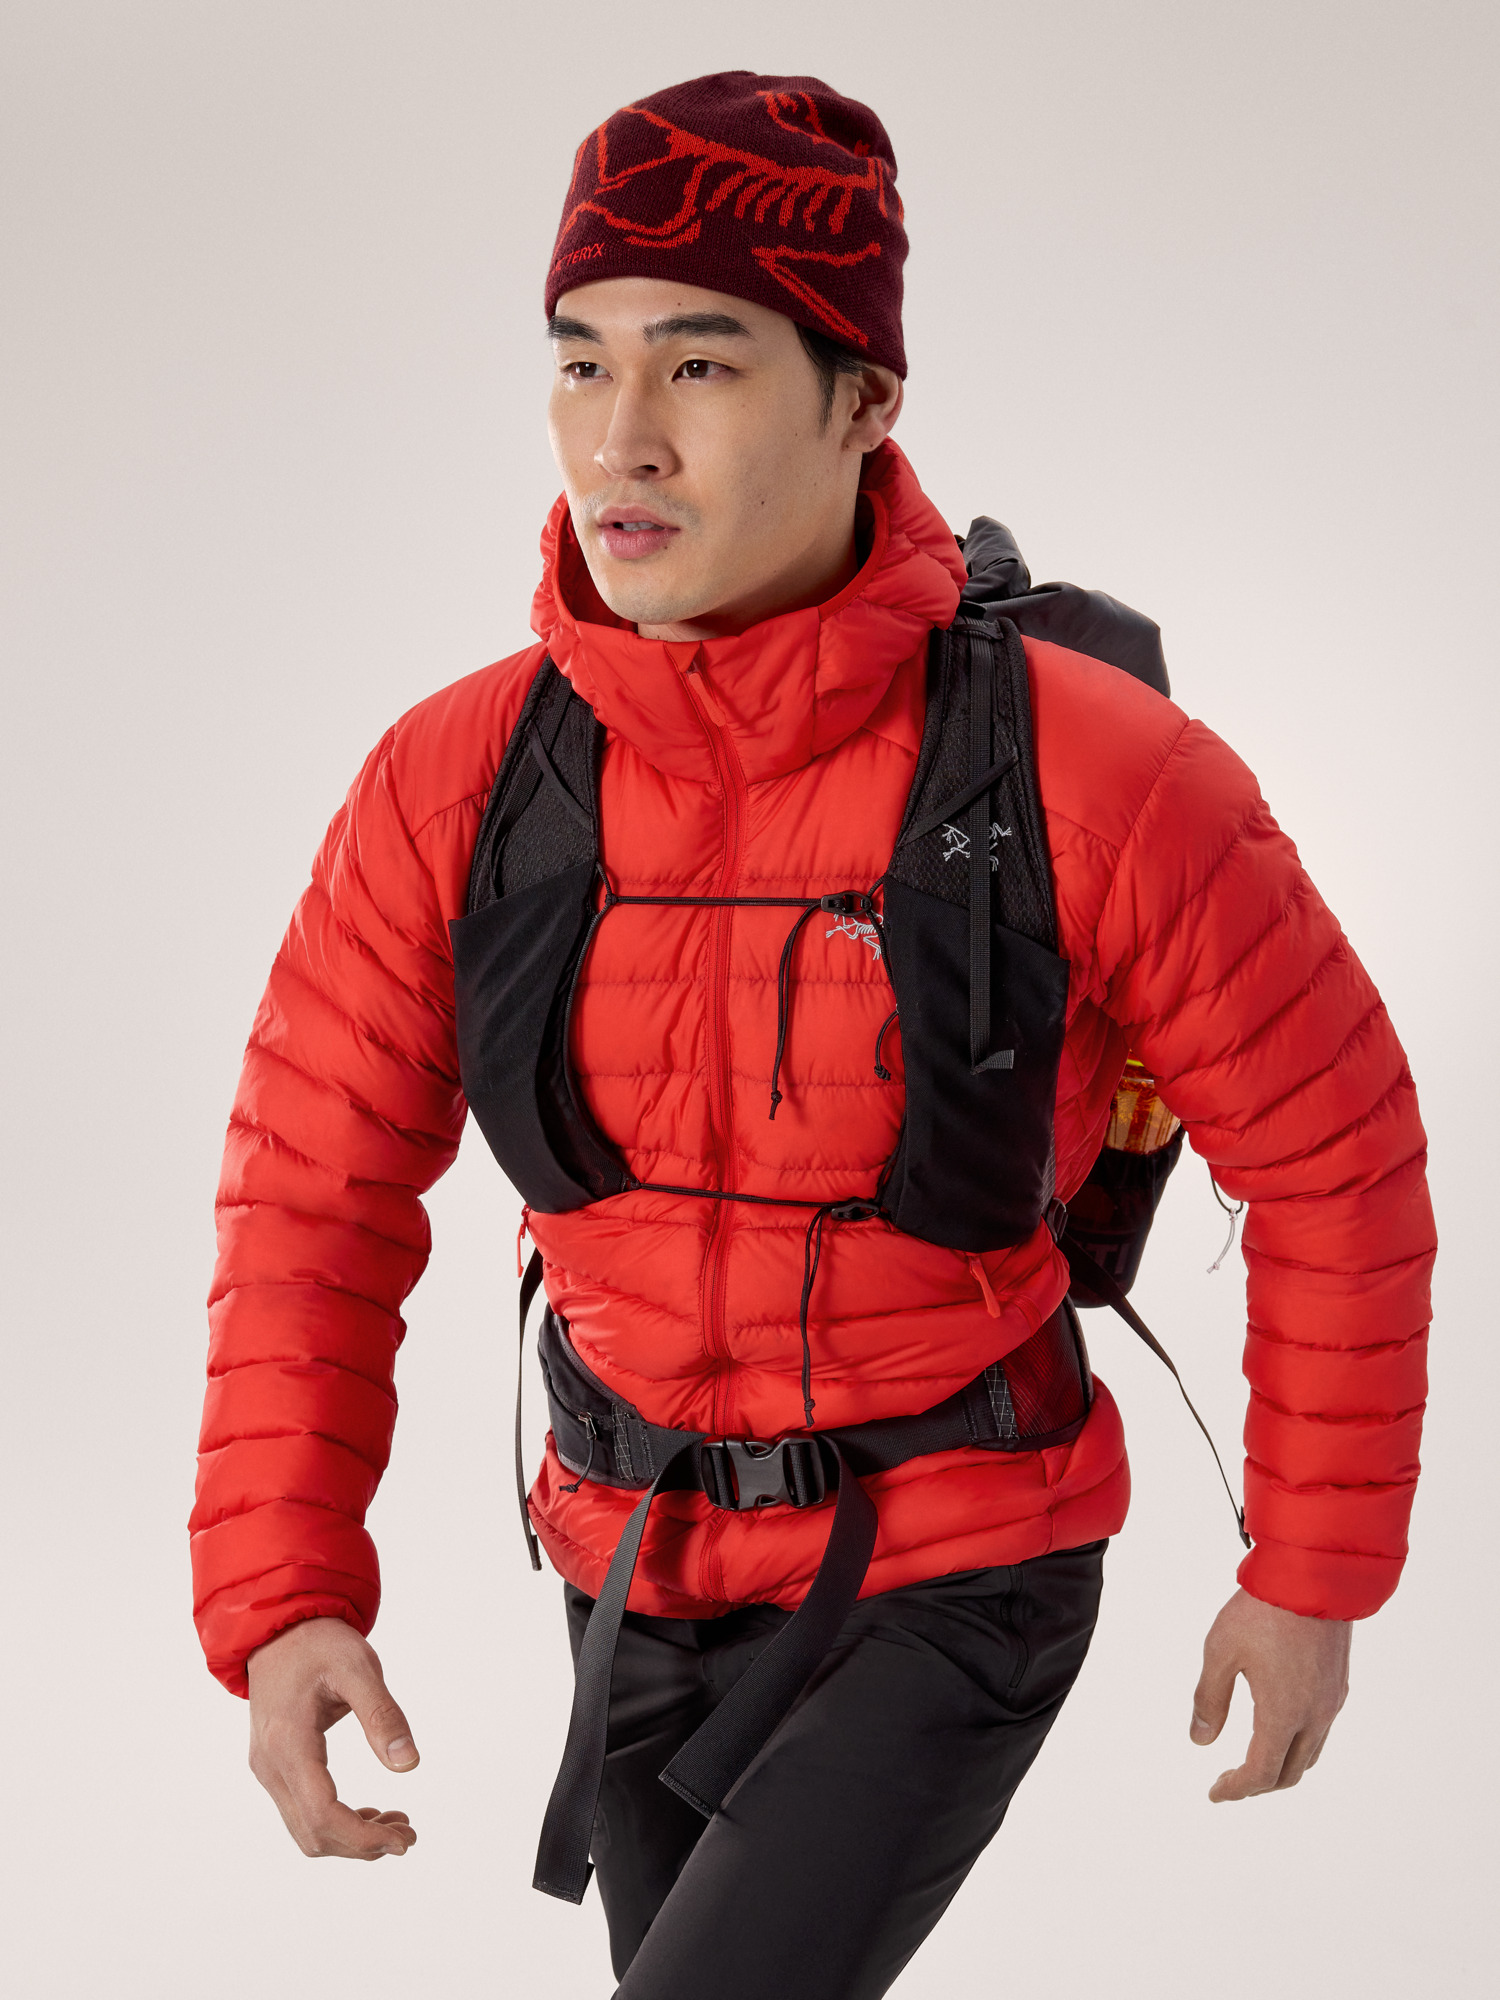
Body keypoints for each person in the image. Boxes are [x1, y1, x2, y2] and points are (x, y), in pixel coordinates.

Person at [192, 71, 1435, 1999]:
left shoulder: (1097, 775)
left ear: (864, 401)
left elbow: (1337, 1160)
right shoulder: (455, 783)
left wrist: (1311, 1572)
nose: (621, 435)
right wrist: (283, 1590)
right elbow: (311, 1196)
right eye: (581, 361)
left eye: (700, 365)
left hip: (958, 1557)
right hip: (628, 1565)